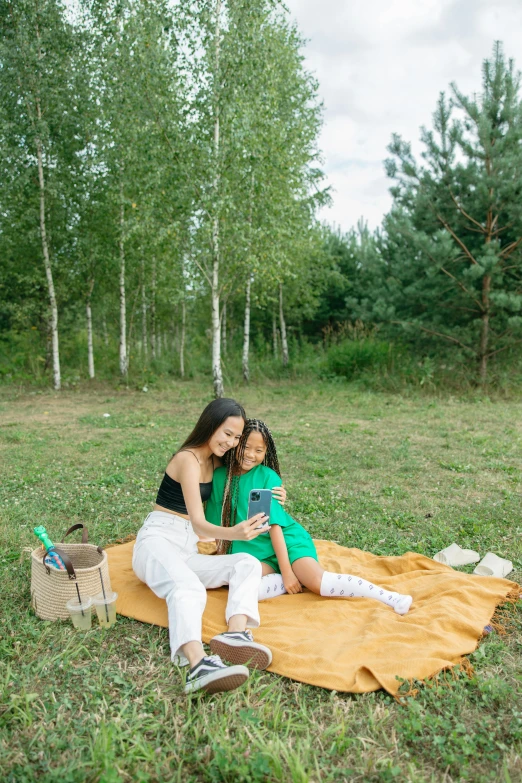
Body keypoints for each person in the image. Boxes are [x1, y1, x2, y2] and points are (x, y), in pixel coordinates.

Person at [132, 400, 285, 695]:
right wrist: (235, 532)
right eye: (226, 434)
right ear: (210, 425)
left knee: (246, 564)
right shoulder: (187, 459)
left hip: (188, 547)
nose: (231, 443)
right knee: (188, 587)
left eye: (236, 438)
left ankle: (236, 634)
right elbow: (200, 523)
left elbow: (247, 472)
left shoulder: (216, 461)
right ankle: (197, 664)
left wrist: (277, 489)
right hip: (158, 541)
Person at [205, 419, 413, 615]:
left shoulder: (268, 476)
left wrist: (287, 571)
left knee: (318, 582)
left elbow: (275, 527)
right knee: (243, 586)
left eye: (259, 450)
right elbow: (216, 522)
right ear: (236, 443)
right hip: (252, 548)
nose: (251, 454)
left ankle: (390, 597)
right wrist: (223, 554)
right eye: (246, 447)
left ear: (266, 452)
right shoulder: (220, 477)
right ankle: (288, 579)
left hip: (287, 540)